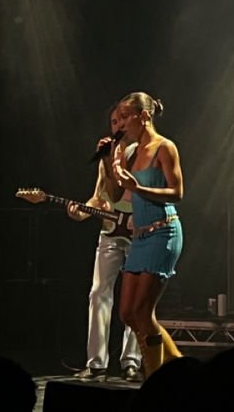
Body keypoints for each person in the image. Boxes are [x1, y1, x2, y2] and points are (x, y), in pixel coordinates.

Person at [108, 92, 184, 380]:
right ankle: (176, 365)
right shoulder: (129, 152)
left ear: (144, 116)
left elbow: (177, 193)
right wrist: (108, 161)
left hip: (163, 232)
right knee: (127, 313)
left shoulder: (165, 148)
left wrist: (138, 188)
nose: (122, 124)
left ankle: (155, 377)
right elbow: (115, 194)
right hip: (139, 237)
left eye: (126, 117)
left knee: (143, 311)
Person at [64, 105, 142, 382]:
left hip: (137, 231)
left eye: (121, 119)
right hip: (109, 232)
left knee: (133, 300)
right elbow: (99, 196)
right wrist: (82, 211)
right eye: (112, 121)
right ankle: (96, 363)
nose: (116, 125)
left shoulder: (142, 152)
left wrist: (114, 162)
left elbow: (131, 191)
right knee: (98, 293)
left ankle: (131, 361)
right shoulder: (105, 157)